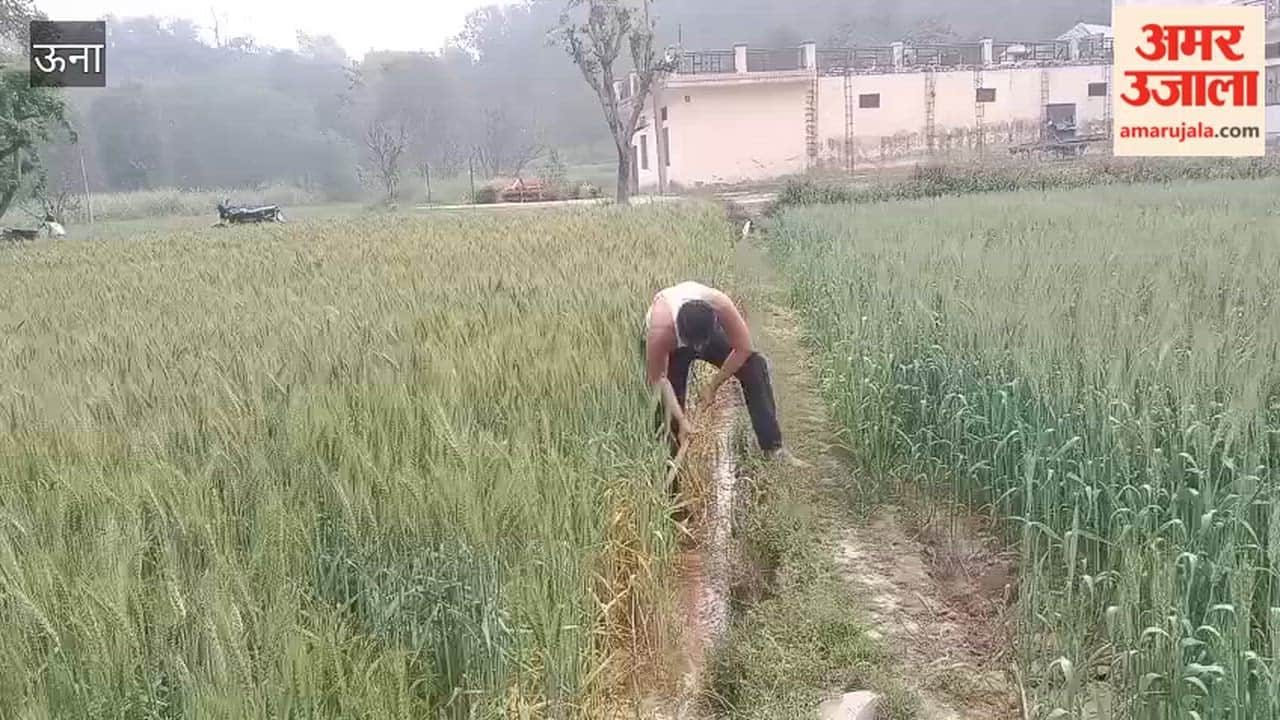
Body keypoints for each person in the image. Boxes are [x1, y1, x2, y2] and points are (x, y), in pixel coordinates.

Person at [642, 280, 805, 466]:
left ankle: (773, 449)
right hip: (674, 346)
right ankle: (671, 464)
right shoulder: (660, 331)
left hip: (698, 331)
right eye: (693, 345)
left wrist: (712, 387)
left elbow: (743, 349)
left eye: (701, 345)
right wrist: (681, 418)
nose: (698, 349)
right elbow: (659, 380)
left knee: (755, 366)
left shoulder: (720, 304)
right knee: (668, 409)